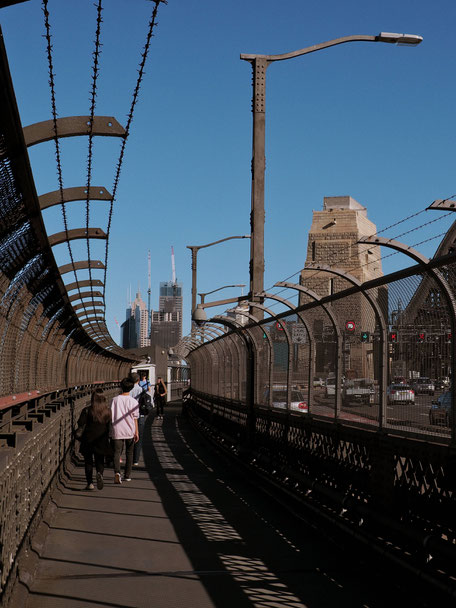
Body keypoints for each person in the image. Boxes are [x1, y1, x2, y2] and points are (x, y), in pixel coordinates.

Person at [76, 389, 113, 491]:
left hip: (88, 439)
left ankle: (90, 483)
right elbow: (109, 426)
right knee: (99, 460)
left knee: (88, 462)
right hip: (101, 439)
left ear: (93, 398)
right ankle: (99, 473)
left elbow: (80, 423)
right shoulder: (107, 412)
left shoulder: (87, 410)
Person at [111, 377, 139, 484]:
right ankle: (127, 475)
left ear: (121, 387)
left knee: (117, 452)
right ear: (131, 388)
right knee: (129, 453)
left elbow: (111, 415)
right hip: (130, 430)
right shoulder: (134, 402)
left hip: (117, 429)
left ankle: (117, 472)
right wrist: (136, 432)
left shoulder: (114, 400)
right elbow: (135, 418)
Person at [131, 372, 152, 466]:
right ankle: (135, 460)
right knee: (139, 437)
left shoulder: (126, 390)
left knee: (128, 438)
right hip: (140, 416)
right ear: (138, 380)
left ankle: (129, 455)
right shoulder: (141, 390)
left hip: (128, 417)